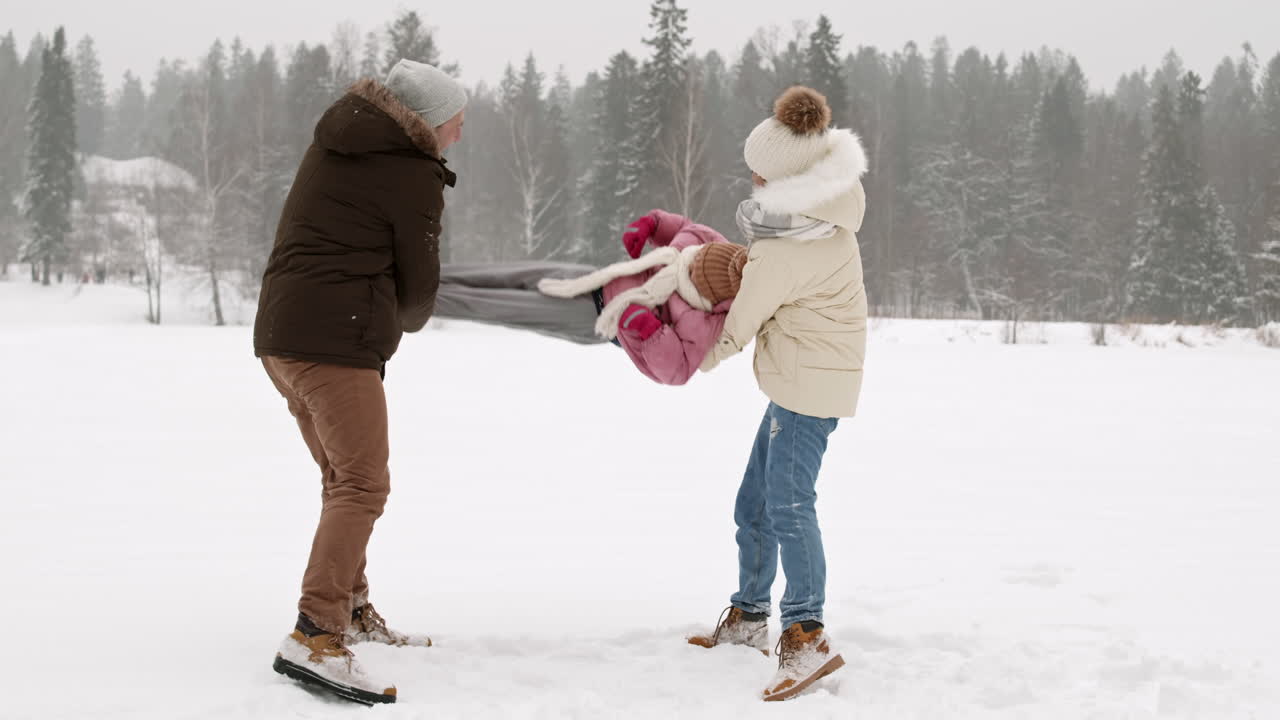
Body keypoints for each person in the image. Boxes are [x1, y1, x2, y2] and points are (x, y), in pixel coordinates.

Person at [252, 59, 466, 706]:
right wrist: (407, 315)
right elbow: (419, 281)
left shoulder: (339, 142)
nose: (459, 134)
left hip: (281, 339)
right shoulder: (410, 169)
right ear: (429, 122)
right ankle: (316, 632)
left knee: (340, 481)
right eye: (456, 122)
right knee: (364, 484)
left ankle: (349, 607)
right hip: (334, 343)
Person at [684, 86, 869, 703]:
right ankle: (748, 617)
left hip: (807, 391)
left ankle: (806, 633)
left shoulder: (794, 246)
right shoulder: (819, 223)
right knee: (756, 504)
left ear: (788, 177)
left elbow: (738, 326)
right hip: (801, 382)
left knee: (788, 506)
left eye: (760, 170)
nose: (753, 177)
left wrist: (682, 360)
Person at [433, 208, 749, 386]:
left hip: (597, 319)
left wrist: (649, 330)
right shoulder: (710, 245)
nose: (686, 264)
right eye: (688, 259)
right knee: (503, 275)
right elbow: (684, 228)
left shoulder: (706, 322)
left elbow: (676, 370)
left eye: (690, 274)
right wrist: (652, 224)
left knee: (493, 307)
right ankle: (427, 276)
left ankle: (414, 298)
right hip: (595, 276)